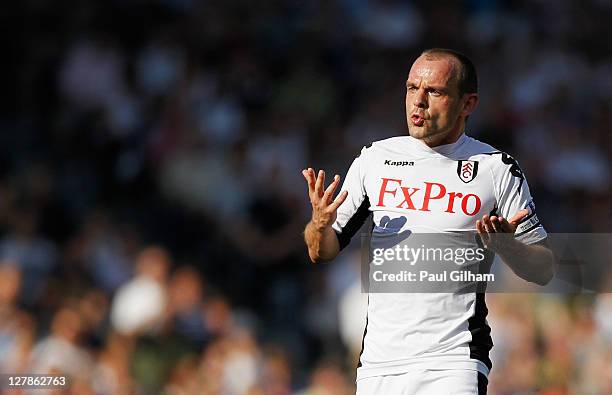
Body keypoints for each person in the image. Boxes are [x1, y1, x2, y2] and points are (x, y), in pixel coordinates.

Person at [302, 48, 554, 395]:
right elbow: (322, 251)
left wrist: (507, 247)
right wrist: (318, 224)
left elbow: (542, 268)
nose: (418, 102)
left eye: (434, 91)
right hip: (379, 364)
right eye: (411, 88)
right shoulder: (375, 159)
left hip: (453, 361)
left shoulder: (496, 169)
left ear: (468, 103)